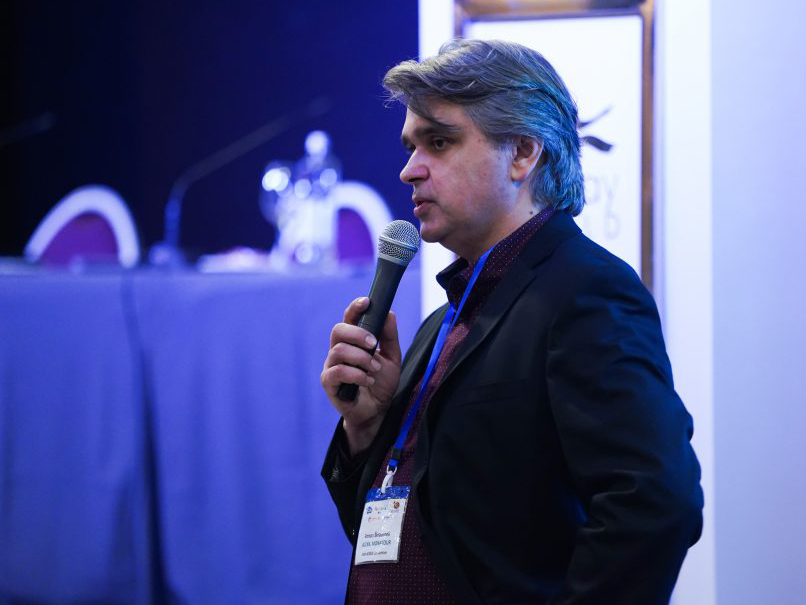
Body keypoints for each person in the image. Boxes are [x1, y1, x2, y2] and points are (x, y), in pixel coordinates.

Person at [320, 38, 703, 604]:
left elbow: (655, 504)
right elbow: (402, 534)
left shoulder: (585, 292)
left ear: (522, 153)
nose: (408, 170)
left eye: (439, 142)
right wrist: (368, 429)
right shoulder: (441, 324)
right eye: (410, 146)